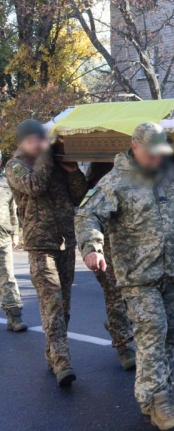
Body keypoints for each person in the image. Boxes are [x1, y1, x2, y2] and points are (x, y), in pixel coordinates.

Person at [76, 122, 174, 431]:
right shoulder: (116, 181)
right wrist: (92, 248)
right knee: (153, 331)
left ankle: (155, 396)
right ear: (134, 147)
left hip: (173, 270)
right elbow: (88, 215)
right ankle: (158, 402)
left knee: (169, 337)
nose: (156, 158)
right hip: (138, 275)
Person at [6, 119, 87, 387]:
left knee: (64, 305)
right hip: (40, 244)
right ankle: (63, 362)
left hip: (65, 241)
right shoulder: (15, 166)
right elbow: (35, 186)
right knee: (52, 304)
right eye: (32, 141)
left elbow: (79, 196)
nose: (38, 145)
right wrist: (47, 157)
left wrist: (73, 172)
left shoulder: (55, 164)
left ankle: (53, 352)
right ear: (21, 143)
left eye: (41, 140)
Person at [85, 162, 135, 370]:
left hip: (133, 243)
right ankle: (124, 345)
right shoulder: (98, 176)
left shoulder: (137, 171)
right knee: (115, 295)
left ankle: (118, 326)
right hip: (106, 244)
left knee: (135, 296)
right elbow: (85, 209)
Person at [0, 151, 25, 332]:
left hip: (3, 238)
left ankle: (14, 317)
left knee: (8, 277)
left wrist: (15, 233)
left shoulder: (6, 182)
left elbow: (12, 210)